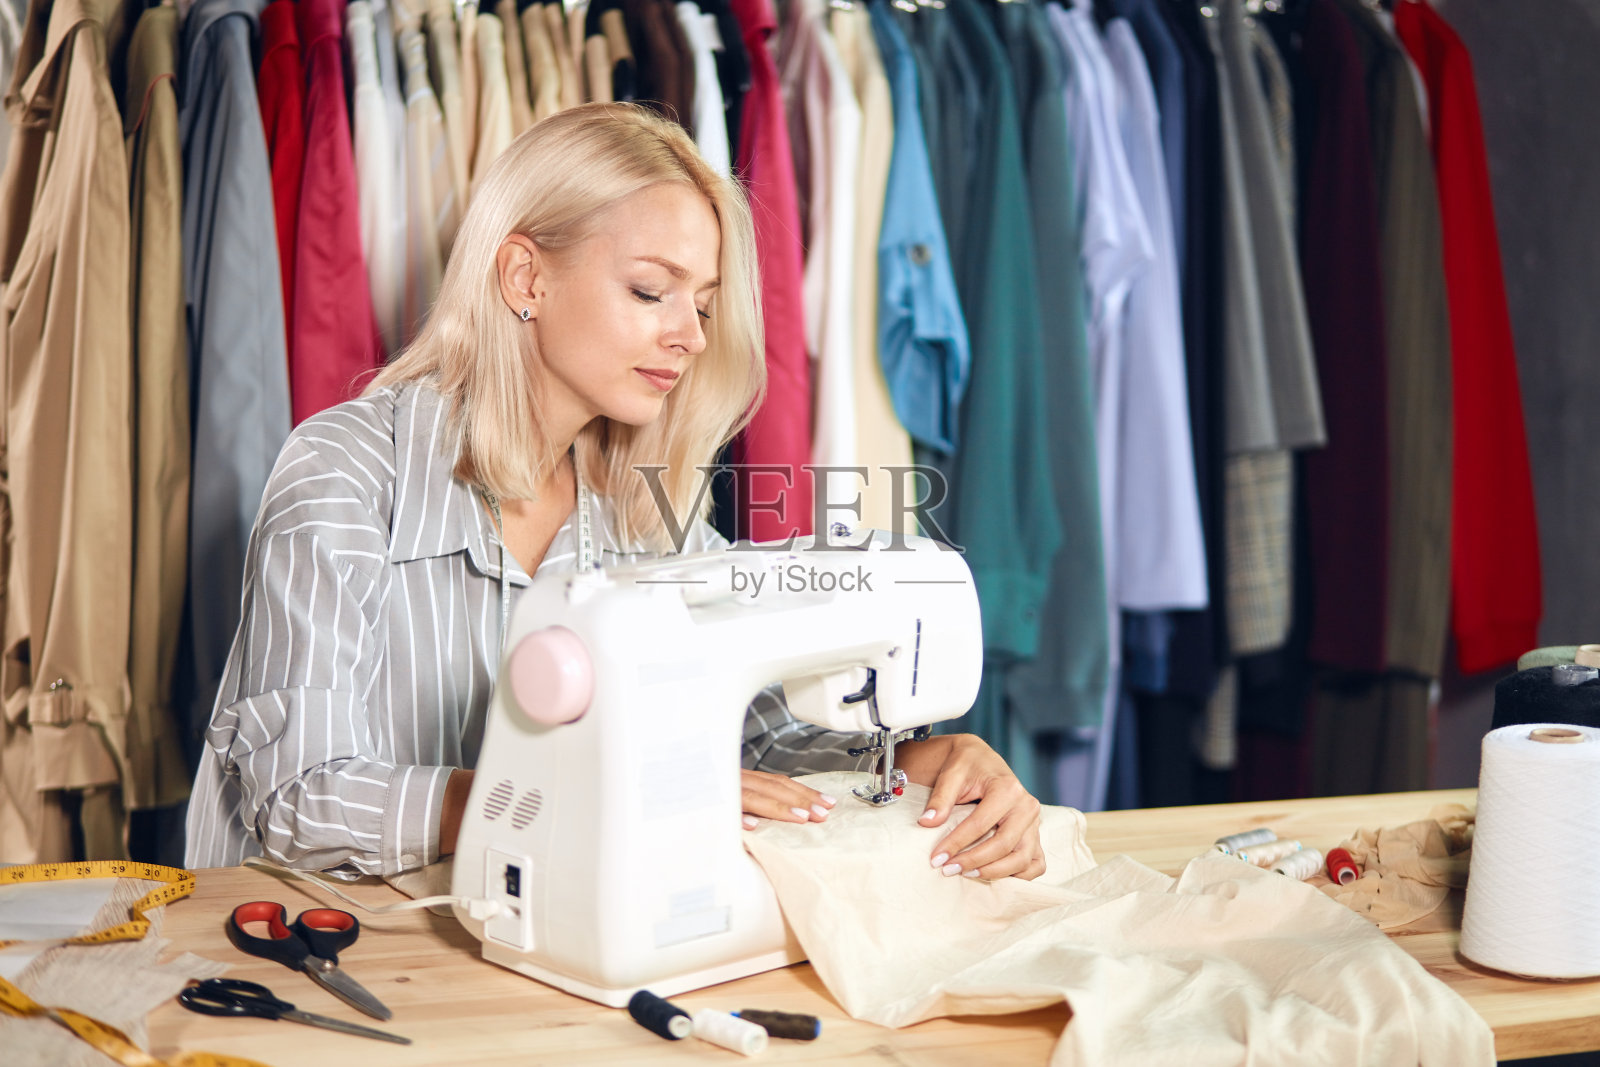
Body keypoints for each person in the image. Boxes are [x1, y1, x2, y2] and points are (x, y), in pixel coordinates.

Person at [185, 103, 1044, 883]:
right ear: (525, 278)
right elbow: (300, 798)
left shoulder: (639, 509)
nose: (692, 336)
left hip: (518, 963)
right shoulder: (345, 472)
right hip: (308, 969)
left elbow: (758, 736)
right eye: (650, 290)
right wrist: (576, 797)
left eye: (703, 304)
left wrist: (909, 768)